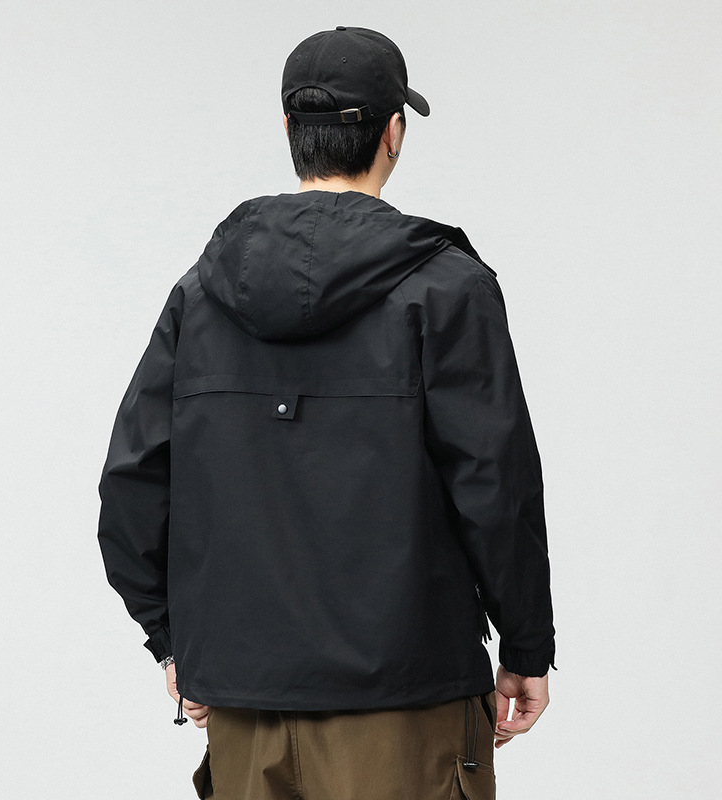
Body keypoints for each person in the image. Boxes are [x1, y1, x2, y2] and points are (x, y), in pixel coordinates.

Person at [97, 25, 556, 800]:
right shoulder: (447, 289)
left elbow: (132, 486)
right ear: (393, 132)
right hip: (406, 703)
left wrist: (175, 644)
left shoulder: (201, 295)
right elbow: (495, 487)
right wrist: (527, 647)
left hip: (244, 708)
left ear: (289, 129)